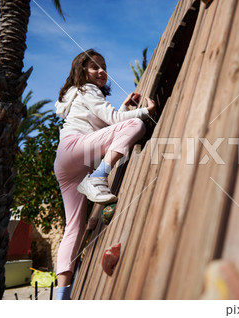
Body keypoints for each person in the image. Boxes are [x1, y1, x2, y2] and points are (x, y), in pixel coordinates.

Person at [53, 49, 156, 300]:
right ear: (81, 71)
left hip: (66, 162)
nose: (101, 71)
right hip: (77, 150)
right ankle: (99, 176)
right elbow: (116, 120)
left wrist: (123, 106)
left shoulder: (77, 95)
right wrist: (145, 111)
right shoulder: (88, 89)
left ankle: (61, 297)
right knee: (136, 124)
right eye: (94, 67)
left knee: (73, 229)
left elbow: (104, 123)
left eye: (103, 67)